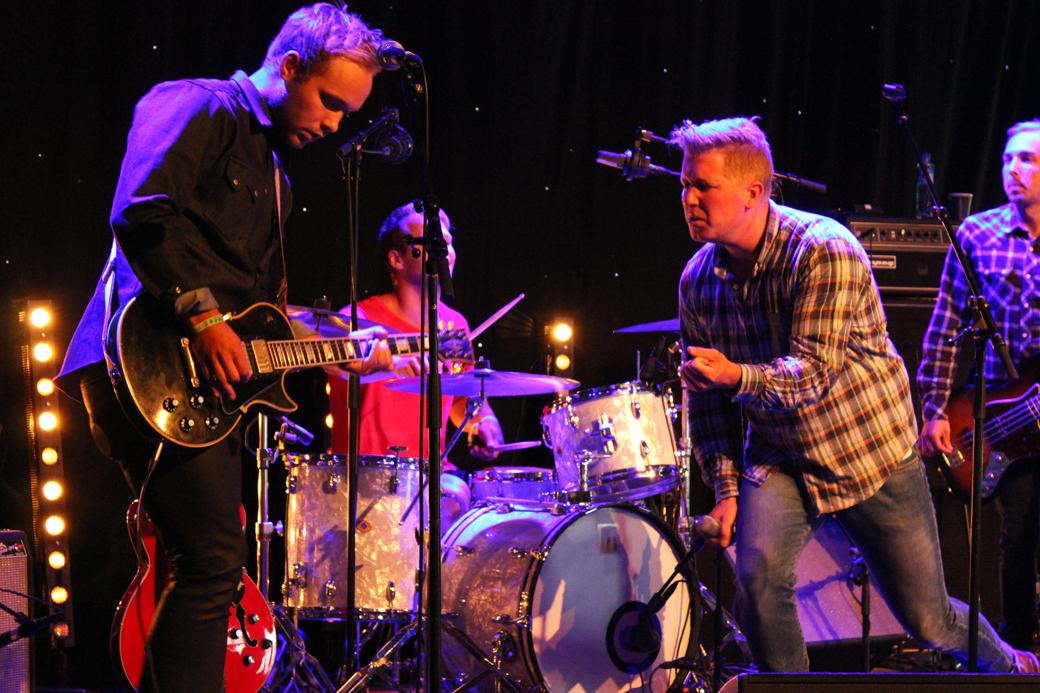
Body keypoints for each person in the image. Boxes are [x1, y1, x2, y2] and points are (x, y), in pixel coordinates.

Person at [54, 5, 392, 692]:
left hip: (197, 386)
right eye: (331, 102)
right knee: (211, 557)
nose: (335, 125)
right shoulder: (196, 104)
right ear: (289, 67)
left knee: (210, 560)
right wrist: (203, 319)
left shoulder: (278, 177)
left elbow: (256, 321)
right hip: (141, 360)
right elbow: (140, 212)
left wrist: (334, 346)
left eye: (347, 113)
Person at [672, 116, 1036, 673]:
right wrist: (725, 490)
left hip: (870, 452)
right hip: (783, 455)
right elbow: (706, 403)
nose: (689, 199)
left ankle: (1013, 669)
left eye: (703, 186)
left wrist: (735, 377)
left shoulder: (823, 250)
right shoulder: (698, 279)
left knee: (928, 620)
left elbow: (813, 374)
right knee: (757, 579)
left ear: (753, 192)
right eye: (684, 185)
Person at [918, 119, 1040, 653]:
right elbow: (945, 328)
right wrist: (935, 409)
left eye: (1029, 159)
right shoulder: (976, 235)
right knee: (1018, 537)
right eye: (1009, 158)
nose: (1015, 169)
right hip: (1004, 418)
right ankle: (1021, 655)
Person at [327, 202, 504, 520]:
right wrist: (386, 362)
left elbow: (463, 400)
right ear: (396, 259)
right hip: (364, 481)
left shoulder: (455, 325)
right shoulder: (358, 318)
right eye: (430, 241)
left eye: (447, 242)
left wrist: (483, 422)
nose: (444, 249)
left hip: (430, 479)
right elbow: (331, 359)